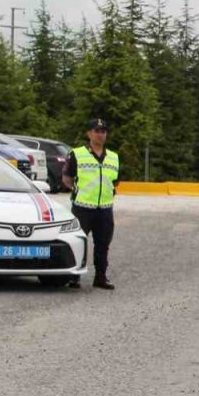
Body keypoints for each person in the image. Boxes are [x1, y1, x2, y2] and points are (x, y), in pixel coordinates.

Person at [62, 118, 120, 290]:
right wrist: (80, 191)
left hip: (104, 208)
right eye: (97, 131)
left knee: (103, 244)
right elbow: (67, 179)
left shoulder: (114, 157)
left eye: (103, 131)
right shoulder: (77, 154)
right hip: (82, 207)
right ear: (89, 133)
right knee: (78, 242)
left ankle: (100, 277)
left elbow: (115, 181)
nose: (100, 134)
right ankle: (74, 277)